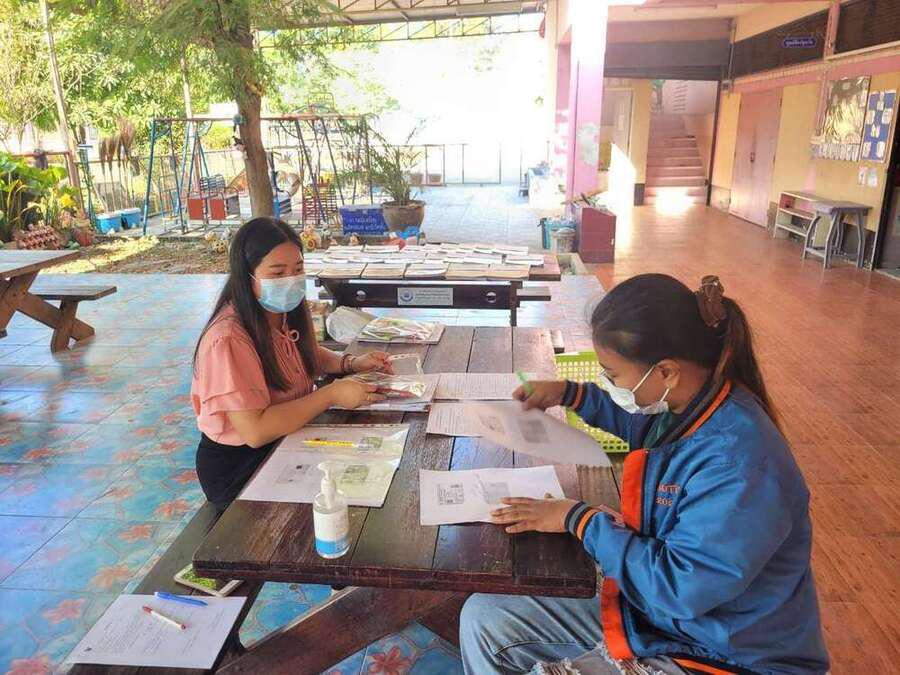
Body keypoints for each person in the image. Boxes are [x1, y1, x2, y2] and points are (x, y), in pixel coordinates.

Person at [460, 274, 829, 675]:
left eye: (613, 374)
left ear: (666, 372)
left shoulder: (738, 463)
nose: (610, 383)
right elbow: (640, 426)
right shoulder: (690, 405)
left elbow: (679, 588)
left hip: (726, 653)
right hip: (667, 622)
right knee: (485, 616)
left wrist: (579, 519)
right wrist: (569, 394)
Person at [191, 217, 393, 512]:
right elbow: (255, 430)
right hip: (241, 465)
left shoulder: (281, 311)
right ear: (246, 276)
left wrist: (350, 363)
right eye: (277, 272)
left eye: (298, 269)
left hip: (288, 438)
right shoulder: (228, 339)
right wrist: (331, 394)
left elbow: (303, 353)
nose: (291, 280)